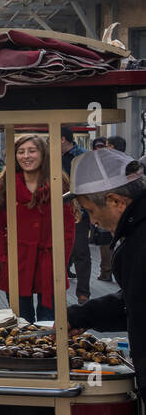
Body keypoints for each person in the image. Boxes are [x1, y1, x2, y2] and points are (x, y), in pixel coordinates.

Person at [65, 149, 146, 396]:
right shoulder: (134, 232)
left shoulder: (140, 238)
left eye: (90, 210)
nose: (93, 221)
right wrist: (83, 315)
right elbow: (136, 301)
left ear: (116, 201)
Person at [0, 134, 75, 323]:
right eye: (21, 152)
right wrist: (0, 262)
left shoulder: (58, 183)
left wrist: (62, 262)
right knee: (21, 321)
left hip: (50, 262)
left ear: (43, 154)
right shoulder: (6, 185)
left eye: (31, 151)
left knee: (49, 321)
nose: (26, 156)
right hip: (16, 261)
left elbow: (68, 229)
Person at [59, 127, 91, 304]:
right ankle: (58, 289)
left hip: (80, 211)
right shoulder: (51, 157)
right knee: (59, 251)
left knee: (80, 251)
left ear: (62, 139)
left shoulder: (83, 157)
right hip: (56, 211)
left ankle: (83, 294)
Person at [89, 139, 115, 281]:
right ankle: (106, 271)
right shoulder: (90, 164)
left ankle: (107, 270)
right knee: (105, 240)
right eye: (99, 147)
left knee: (108, 240)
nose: (101, 149)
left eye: (104, 146)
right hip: (100, 205)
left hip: (110, 205)